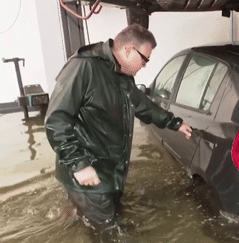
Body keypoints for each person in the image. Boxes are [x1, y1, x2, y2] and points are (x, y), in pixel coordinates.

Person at [45, 24, 192, 236]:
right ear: (128, 50)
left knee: (106, 223)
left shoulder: (121, 73)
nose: (145, 65)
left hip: (110, 172)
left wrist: (174, 123)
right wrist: (79, 164)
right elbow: (56, 120)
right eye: (145, 59)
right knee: (110, 234)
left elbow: (141, 104)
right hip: (88, 174)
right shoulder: (83, 67)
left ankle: (75, 215)